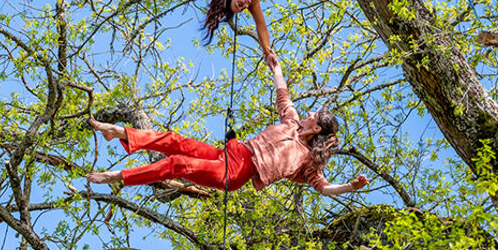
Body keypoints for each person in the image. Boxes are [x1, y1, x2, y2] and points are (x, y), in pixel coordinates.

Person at [85, 57, 368, 195]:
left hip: (237, 171)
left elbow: (324, 188)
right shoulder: (292, 123)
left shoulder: (308, 162)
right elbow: (284, 96)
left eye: (313, 114)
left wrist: (350, 187)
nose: (308, 114)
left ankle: (117, 176)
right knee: (174, 141)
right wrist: (276, 69)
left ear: (317, 128)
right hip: (233, 151)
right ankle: (120, 132)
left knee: (176, 164)